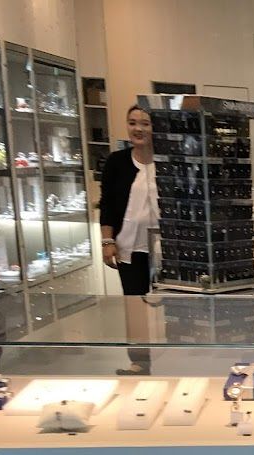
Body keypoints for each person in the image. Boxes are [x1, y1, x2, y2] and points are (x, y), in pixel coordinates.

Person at [99, 105, 158, 375]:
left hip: (167, 249)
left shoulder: (168, 161)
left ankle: (172, 355)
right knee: (134, 303)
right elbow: (108, 203)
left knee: (168, 304)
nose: (138, 129)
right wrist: (107, 240)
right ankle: (140, 361)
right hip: (130, 247)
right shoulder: (117, 162)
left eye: (145, 123)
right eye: (133, 122)